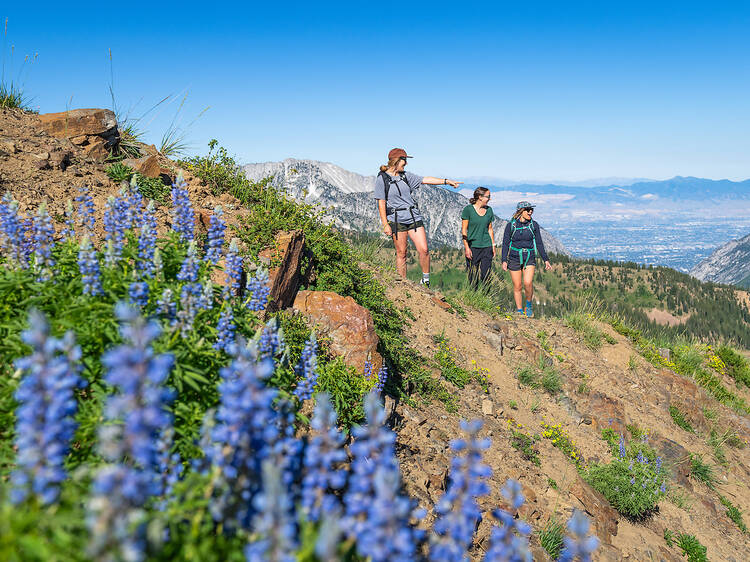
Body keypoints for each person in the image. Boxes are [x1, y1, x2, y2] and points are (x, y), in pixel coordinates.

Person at [374, 148, 462, 287]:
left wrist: (446, 181)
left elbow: (425, 179)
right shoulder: (382, 179)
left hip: (413, 217)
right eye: (405, 160)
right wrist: (385, 224)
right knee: (402, 253)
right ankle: (403, 284)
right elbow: (381, 202)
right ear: (396, 160)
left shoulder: (405, 176)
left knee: (424, 250)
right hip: (396, 219)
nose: (406, 163)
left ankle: (425, 280)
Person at [501, 201, 552, 317]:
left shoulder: (534, 225)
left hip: (529, 257)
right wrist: (504, 260)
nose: (530, 212)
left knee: (528, 283)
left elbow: (539, 243)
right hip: (514, 258)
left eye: (531, 210)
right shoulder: (511, 225)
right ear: (520, 211)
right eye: (528, 209)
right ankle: (519, 311)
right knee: (517, 285)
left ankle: (528, 305)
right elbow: (505, 243)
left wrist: (546, 260)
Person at [461, 187, 496, 287]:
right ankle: (473, 299)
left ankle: (486, 299)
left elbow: (490, 228)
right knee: (473, 276)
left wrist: (493, 245)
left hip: (487, 246)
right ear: (480, 197)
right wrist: (467, 248)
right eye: (488, 196)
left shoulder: (489, 210)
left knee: (486, 276)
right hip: (473, 247)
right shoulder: (468, 210)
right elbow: (464, 230)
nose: (489, 199)